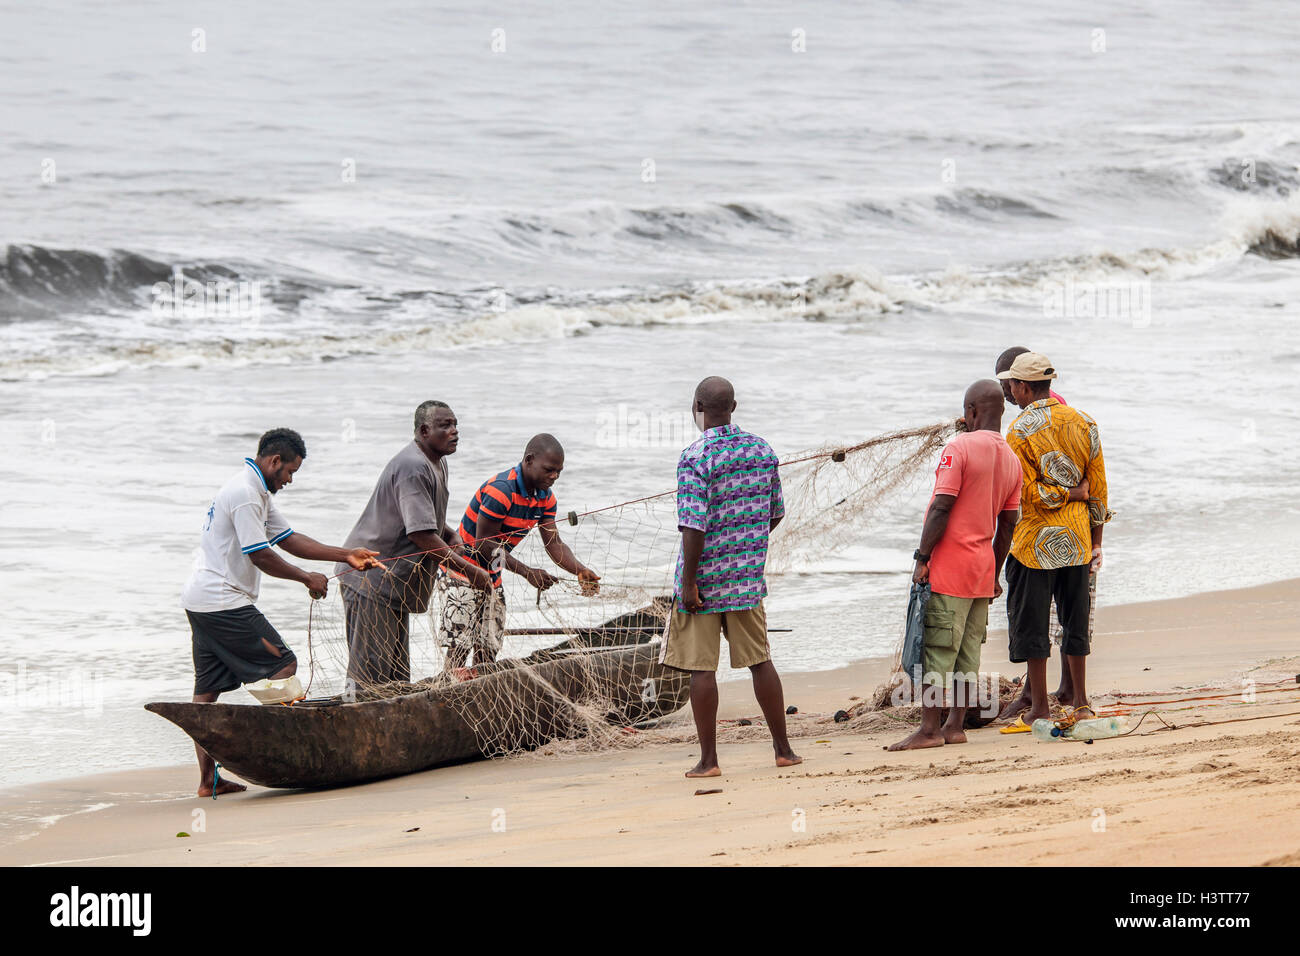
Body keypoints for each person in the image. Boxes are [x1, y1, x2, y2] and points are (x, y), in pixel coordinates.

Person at [181, 428, 383, 796]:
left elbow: (288, 539)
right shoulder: (245, 494)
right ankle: (282, 754)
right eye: (290, 471)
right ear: (274, 461)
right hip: (223, 601)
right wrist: (306, 578)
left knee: (207, 693)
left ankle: (208, 780)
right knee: (283, 665)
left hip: (201, 600)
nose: (289, 479)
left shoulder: (254, 490)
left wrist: (345, 554)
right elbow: (258, 553)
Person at [659, 376, 801, 777]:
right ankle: (783, 750)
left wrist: (689, 583)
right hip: (746, 579)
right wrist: (744, 545)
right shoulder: (761, 450)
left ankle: (709, 761)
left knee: (702, 669)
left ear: (697, 408)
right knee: (760, 662)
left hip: (702, 583)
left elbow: (693, 526)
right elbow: (775, 512)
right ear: (733, 408)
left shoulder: (695, 457)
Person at [887, 380, 1021, 751]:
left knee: (937, 650)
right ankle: (955, 726)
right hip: (982, 571)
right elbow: (1008, 525)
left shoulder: (958, 447)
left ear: (971, 412)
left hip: (950, 569)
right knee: (967, 655)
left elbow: (942, 505)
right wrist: (994, 574)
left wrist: (922, 557)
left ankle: (929, 730)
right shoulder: (1011, 458)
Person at [336, 402, 492, 689]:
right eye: (445, 426)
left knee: (395, 675)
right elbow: (420, 534)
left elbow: (421, 515)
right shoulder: (413, 466)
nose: (455, 431)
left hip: (394, 583)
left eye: (456, 424)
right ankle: (359, 726)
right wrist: (471, 571)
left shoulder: (437, 461)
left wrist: (449, 534)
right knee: (369, 675)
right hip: (370, 578)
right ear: (424, 431)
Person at [995, 353, 1110, 732]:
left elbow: (1028, 495)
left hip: (1033, 546)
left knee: (1033, 626)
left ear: (1024, 387)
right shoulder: (1084, 421)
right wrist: (1096, 540)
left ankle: (1040, 708)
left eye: (1012, 384)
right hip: (1077, 541)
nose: (1009, 390)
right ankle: (1080, 702)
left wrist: (1063, 495)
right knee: (1075, 620)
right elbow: (1100, 491)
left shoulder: (1019, 431)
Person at [439, 434, 601, 671]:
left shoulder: (545, 498)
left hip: (491, 576)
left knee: (488, 647)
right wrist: (527, 572)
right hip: (462, 571)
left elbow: (553, 543)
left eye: (559, 471)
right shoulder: (501, 491)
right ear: (529, 460)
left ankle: (481, 699)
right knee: (460, 646)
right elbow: (485, 545)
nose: (554, 476)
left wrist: (580, 570)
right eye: (549, 470)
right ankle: (450, 697)